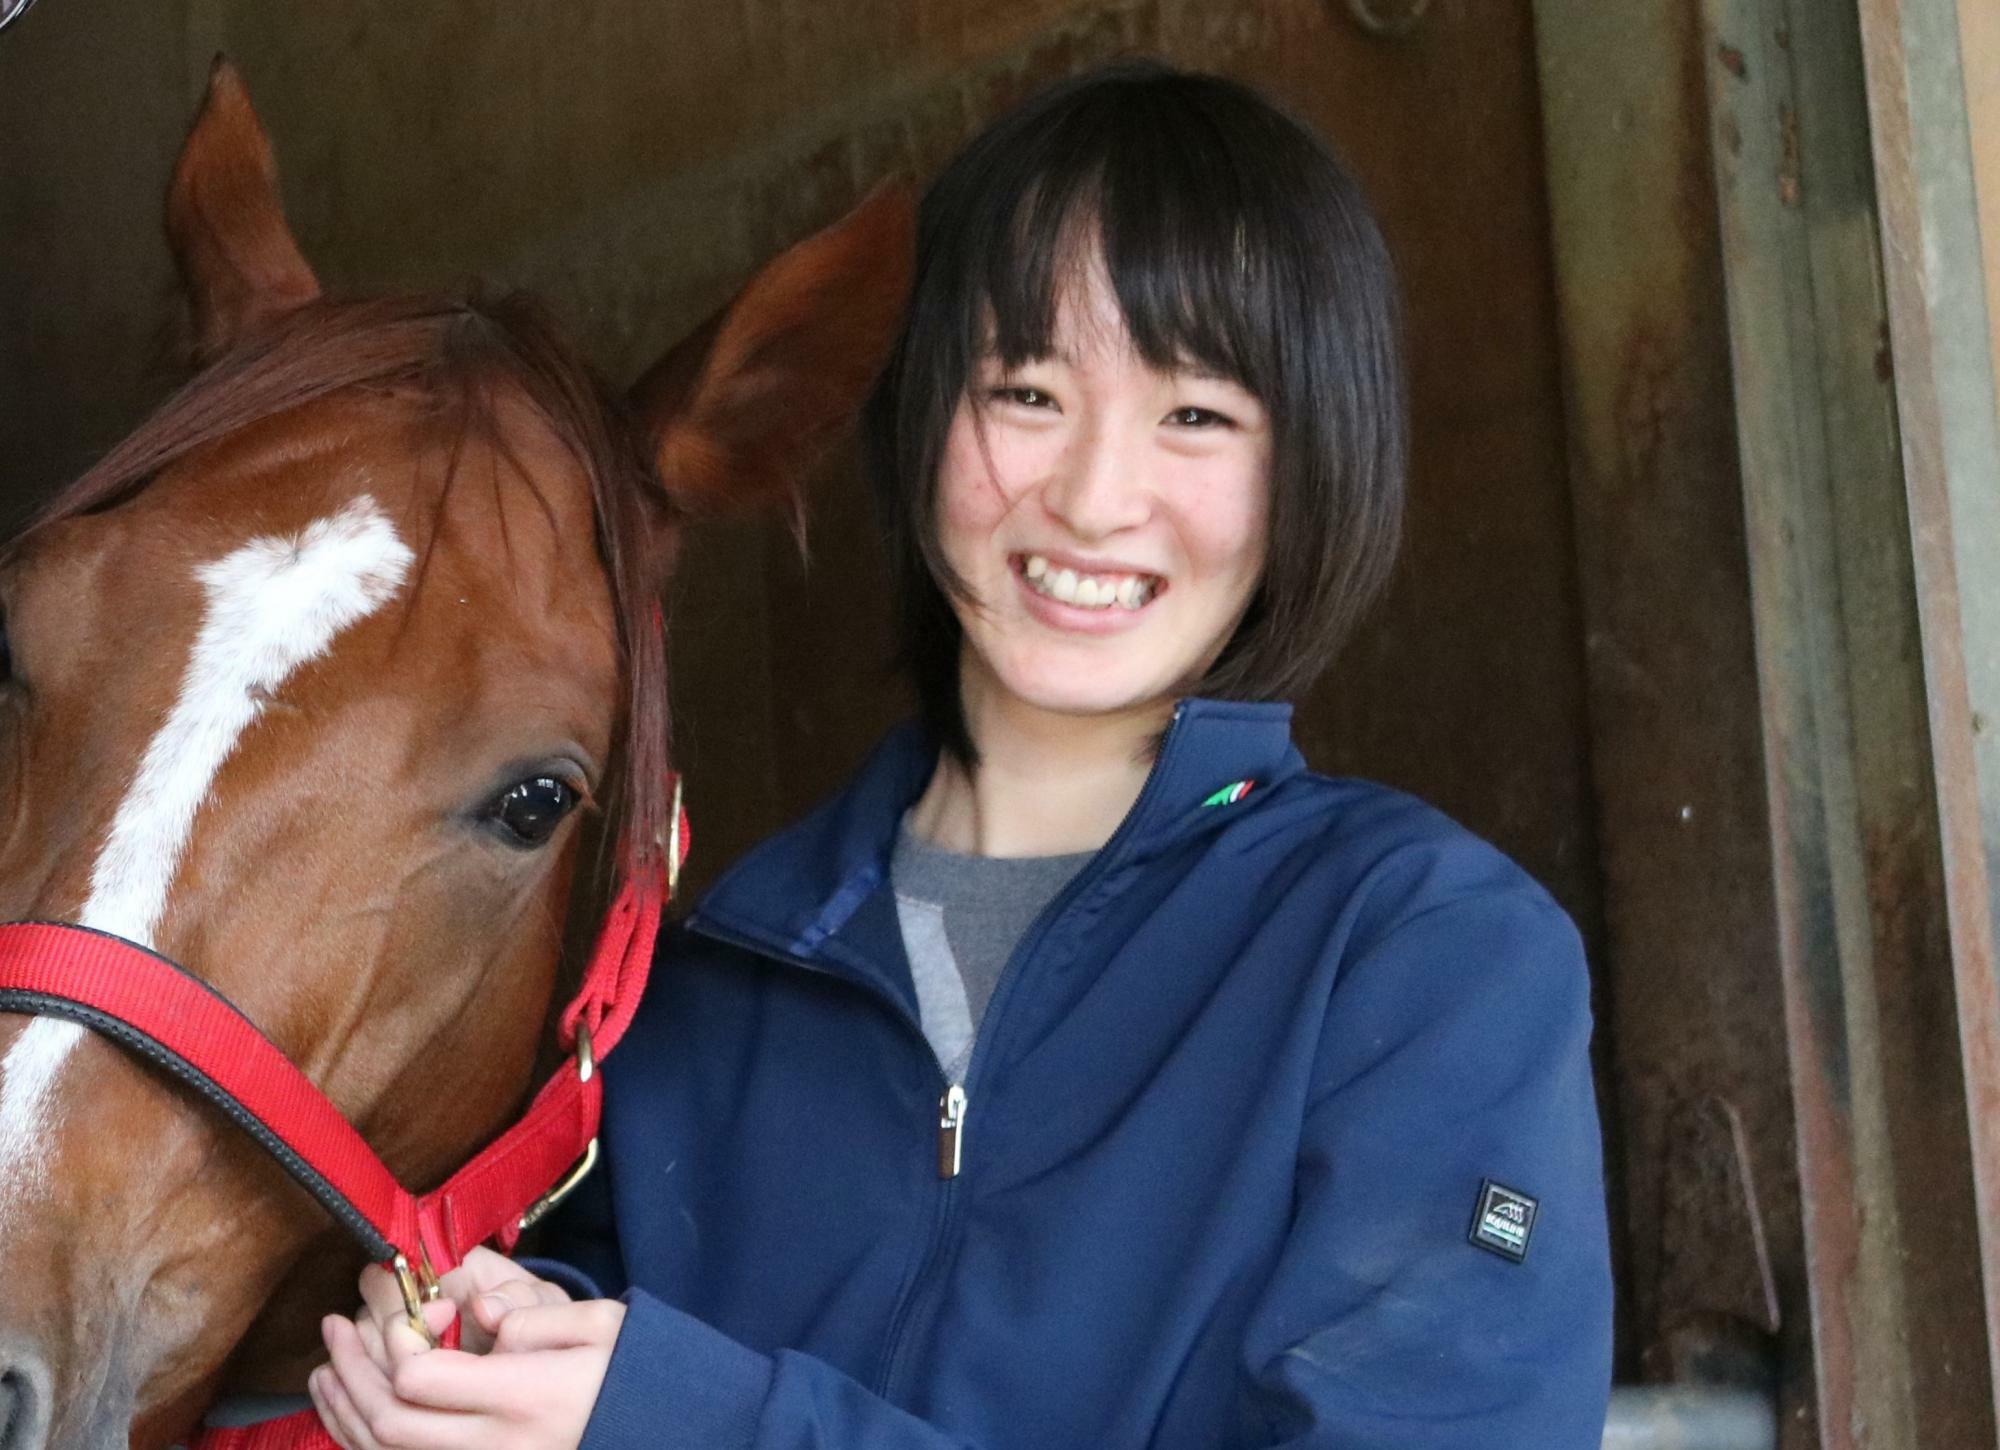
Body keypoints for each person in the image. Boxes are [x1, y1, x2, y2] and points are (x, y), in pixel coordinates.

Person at [310, 58, 1614, 1450]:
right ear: (924, 421)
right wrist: (481, 1354)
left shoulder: (1421, 952)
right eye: (1028, 394)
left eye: (1196, 415)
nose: (1094, 497)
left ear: (1309, 470)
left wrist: (694, 1422)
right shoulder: (707, 993)